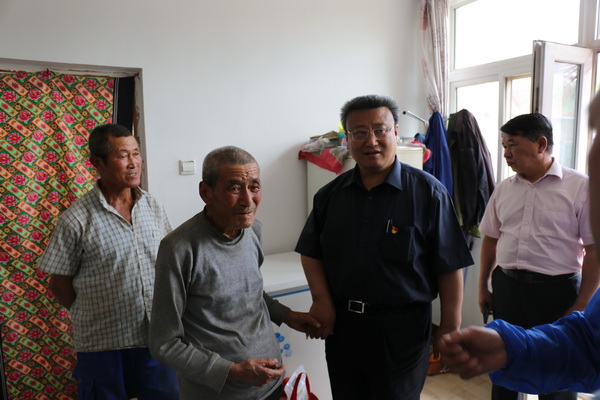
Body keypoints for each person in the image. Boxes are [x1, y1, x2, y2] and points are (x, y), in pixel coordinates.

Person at [294, 94, 474, 400]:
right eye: (360, 132)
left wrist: (450, 326)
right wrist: (321, 300)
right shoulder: (330, 196)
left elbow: (449, 265)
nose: (371, 141)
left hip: (402, 331)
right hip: (344, 328)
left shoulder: (429, 193)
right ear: (348, 139)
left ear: (395, 132)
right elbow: (311, 252)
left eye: (380, 130)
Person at [438, 96, 600, 396]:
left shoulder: (580, 187)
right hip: (508, 287)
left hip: (557, 291)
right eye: (504, 146)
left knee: (558, 374)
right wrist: (484, 286)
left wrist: (582, 303)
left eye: (512, 144)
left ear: (541, 144)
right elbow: (491, 238)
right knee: (503, 367)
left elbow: (593, 250)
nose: (506, 154)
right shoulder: (504, 188)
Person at [148, 146, 320, 400]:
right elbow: (164, 343)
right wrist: (232, 371)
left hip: (270, 385)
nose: (248, 201)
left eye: (254, 186)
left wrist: (286, 315)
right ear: (206, 192)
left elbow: (249, 291)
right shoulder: (179, 249)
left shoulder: (253, 231)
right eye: (235, 188)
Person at [37, 124, 179, 399]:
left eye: (136, 154)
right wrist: (94, 311)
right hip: (103, 345)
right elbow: (59, 284)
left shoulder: (153, 206)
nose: (133, 163)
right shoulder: (77, 219)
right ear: (98, 163)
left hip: (156, 338)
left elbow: (169, 262)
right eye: (123, 156)